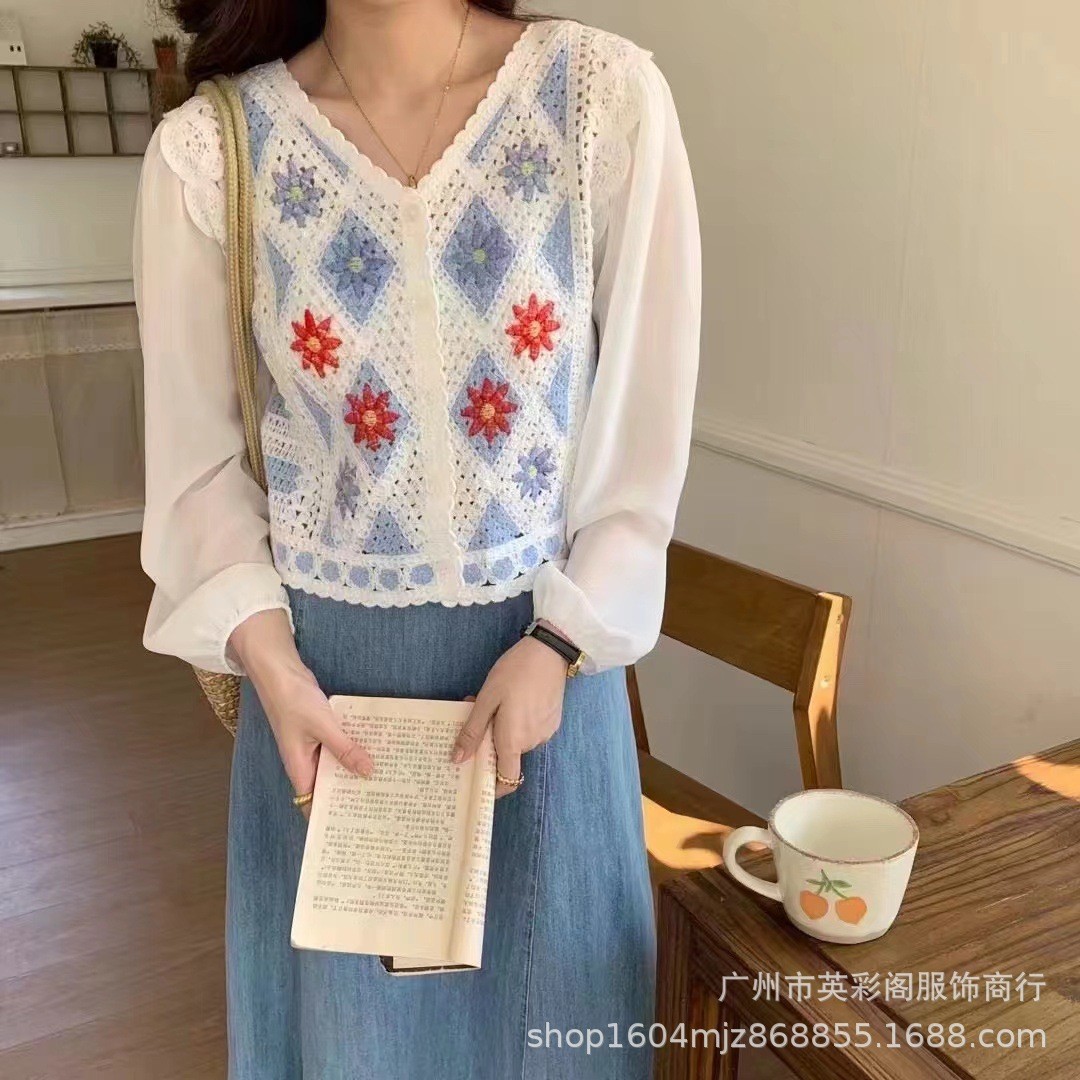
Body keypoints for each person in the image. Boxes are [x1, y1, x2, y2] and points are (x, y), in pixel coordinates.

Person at [134, 0, 700, 1075]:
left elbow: (642, 426)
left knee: (558, 1030)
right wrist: (272, 668)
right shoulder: (210, 154)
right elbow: (194, 468)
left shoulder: (600, 99)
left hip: (544, 677)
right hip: (323, 700)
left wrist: (562, 644)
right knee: (357, 1043)